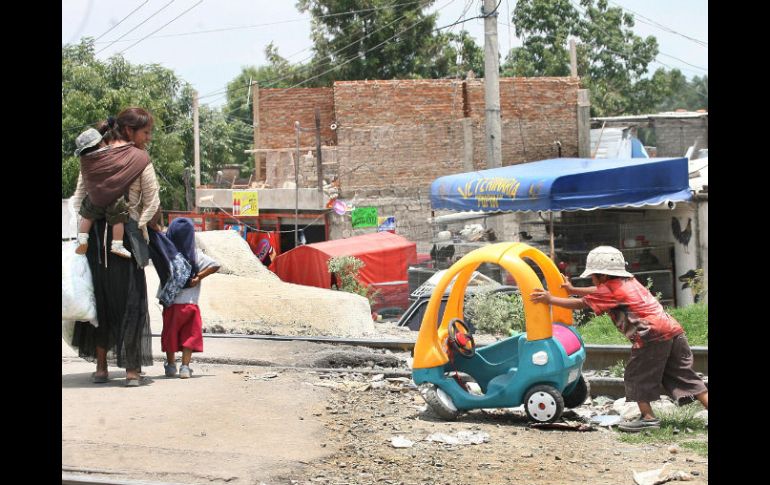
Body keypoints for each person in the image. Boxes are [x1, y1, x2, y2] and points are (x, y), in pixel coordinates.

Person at [530, 246, 708, 432]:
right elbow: (597, 290)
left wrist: (549, 300)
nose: (592, 280)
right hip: (673, 330)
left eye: (593, 276)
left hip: (651, 335)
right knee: (685, 376)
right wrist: (573, 289)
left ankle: (648, 418)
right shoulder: (628, 281)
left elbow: (582, 303)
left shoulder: (608, 290)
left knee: (636, 376)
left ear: (603, 276)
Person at [69, 107, 162, 387]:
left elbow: (79, 198)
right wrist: (140, 226)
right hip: (126, 239)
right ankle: (132, 371)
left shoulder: (92, 157)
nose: (148, 138)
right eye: (145, 132)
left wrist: (86, 229)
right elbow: (153, 200)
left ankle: (101, 368)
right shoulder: (139, 159)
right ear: (130, 131)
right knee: (131, 302)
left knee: (100, 298)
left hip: (95, 241)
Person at [159, 218, 220, 379]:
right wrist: (199, 277)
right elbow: (215, 265)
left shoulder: (168, 255)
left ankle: (170, 366)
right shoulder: (196, 255)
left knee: (170, 335)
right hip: (190, 305)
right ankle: (185, 368)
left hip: (171, 305)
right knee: (189, 336)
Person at [73, 124, 132, 258]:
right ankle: (117, 244)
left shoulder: (85, 161)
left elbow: (83, 187)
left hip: (94, 196)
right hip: (113, 196)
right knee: (118, 218)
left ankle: (82, 239)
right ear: (100, 142)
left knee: (87, 216)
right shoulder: (111, 153)